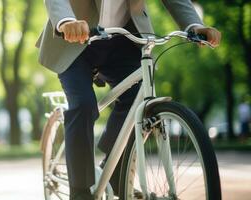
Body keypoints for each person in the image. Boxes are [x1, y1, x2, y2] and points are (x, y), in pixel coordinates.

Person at [35, 0, 221, 199]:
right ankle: (79, 191)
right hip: (75, 38)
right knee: (83, 104)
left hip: (123, 40)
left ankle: (116, 171)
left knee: (138, 96)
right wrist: (65, 21)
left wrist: (194, 25)